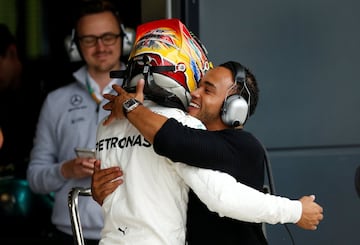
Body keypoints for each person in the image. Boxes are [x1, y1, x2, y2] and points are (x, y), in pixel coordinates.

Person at [91, 18, 323, 245]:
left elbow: (178, 145)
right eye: (198, 84)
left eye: (207, 90)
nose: (194, 92)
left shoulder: (243, 146)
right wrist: (102, 193)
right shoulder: (173, 126)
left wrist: (295, 210)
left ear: (235, 107)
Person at [26, 0, 129, 244]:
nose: (100, 46)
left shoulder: (144, 94)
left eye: (108, 37)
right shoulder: (56, 101)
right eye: (89, 39)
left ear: (123, 39)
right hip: (69, 232)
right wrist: (66, 169)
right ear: (75, 45)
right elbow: (34, 178)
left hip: (131, 233)